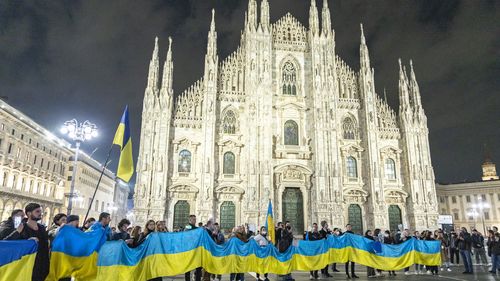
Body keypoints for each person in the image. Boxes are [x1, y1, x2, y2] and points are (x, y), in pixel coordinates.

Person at [4, 203, 49, 281]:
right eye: (37, 211)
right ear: (29, 213)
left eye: (41, 212)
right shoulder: (22, 228)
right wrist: (26, 242)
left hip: (42, 265)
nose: (40, 214)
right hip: (27, 267)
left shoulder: (42, 228)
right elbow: (7, 243)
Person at [185, 215, 202, 281]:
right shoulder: (187, 226)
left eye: (195, 219)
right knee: (188, 267)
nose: (195, 221)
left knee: (198, 267)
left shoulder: (197, 228)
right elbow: (187, 232)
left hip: (196, 249)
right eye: (193, 219)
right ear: (190, 220)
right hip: (189, 249)